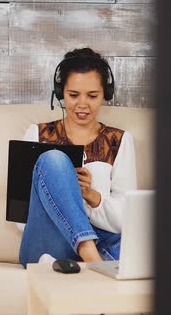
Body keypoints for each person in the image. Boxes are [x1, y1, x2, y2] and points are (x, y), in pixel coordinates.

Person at [17, 48, 137, 268]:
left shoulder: (119, 140)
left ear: (105, 95)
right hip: (47, 243)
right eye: (73, 95)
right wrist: (62, 190)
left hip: (102, 239)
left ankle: (74, 265)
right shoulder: (38, 134)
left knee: (153, 238)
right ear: (61, 93)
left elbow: (126, 219)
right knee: (54, 160)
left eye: (92, 96)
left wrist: (91, 196)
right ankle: (91, 259)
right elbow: (21, 218)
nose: (82, 104)